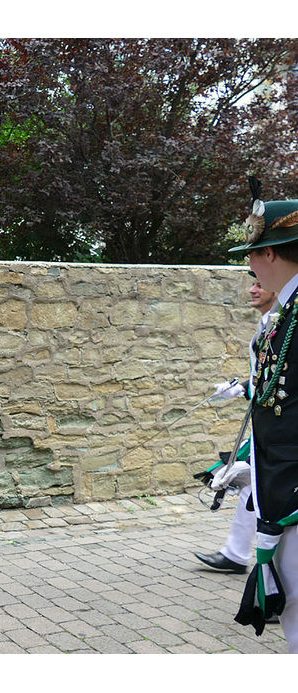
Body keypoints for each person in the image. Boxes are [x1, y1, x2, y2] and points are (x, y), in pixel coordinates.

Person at [228, 177, 298, 650]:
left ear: (270, 254)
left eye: (251, 255)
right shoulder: (286, 315)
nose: (249, 265)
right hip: (281, 487)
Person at [194, 274, 276, 574]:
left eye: (259, 284)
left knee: (266, 492)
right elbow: (264, 374)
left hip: (280, 427)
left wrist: (247, 390)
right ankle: (236, 553)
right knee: (251, 486)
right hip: (265, 421)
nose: (253, 290)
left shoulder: (280, 322)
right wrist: (241, 388)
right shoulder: (267, 321)